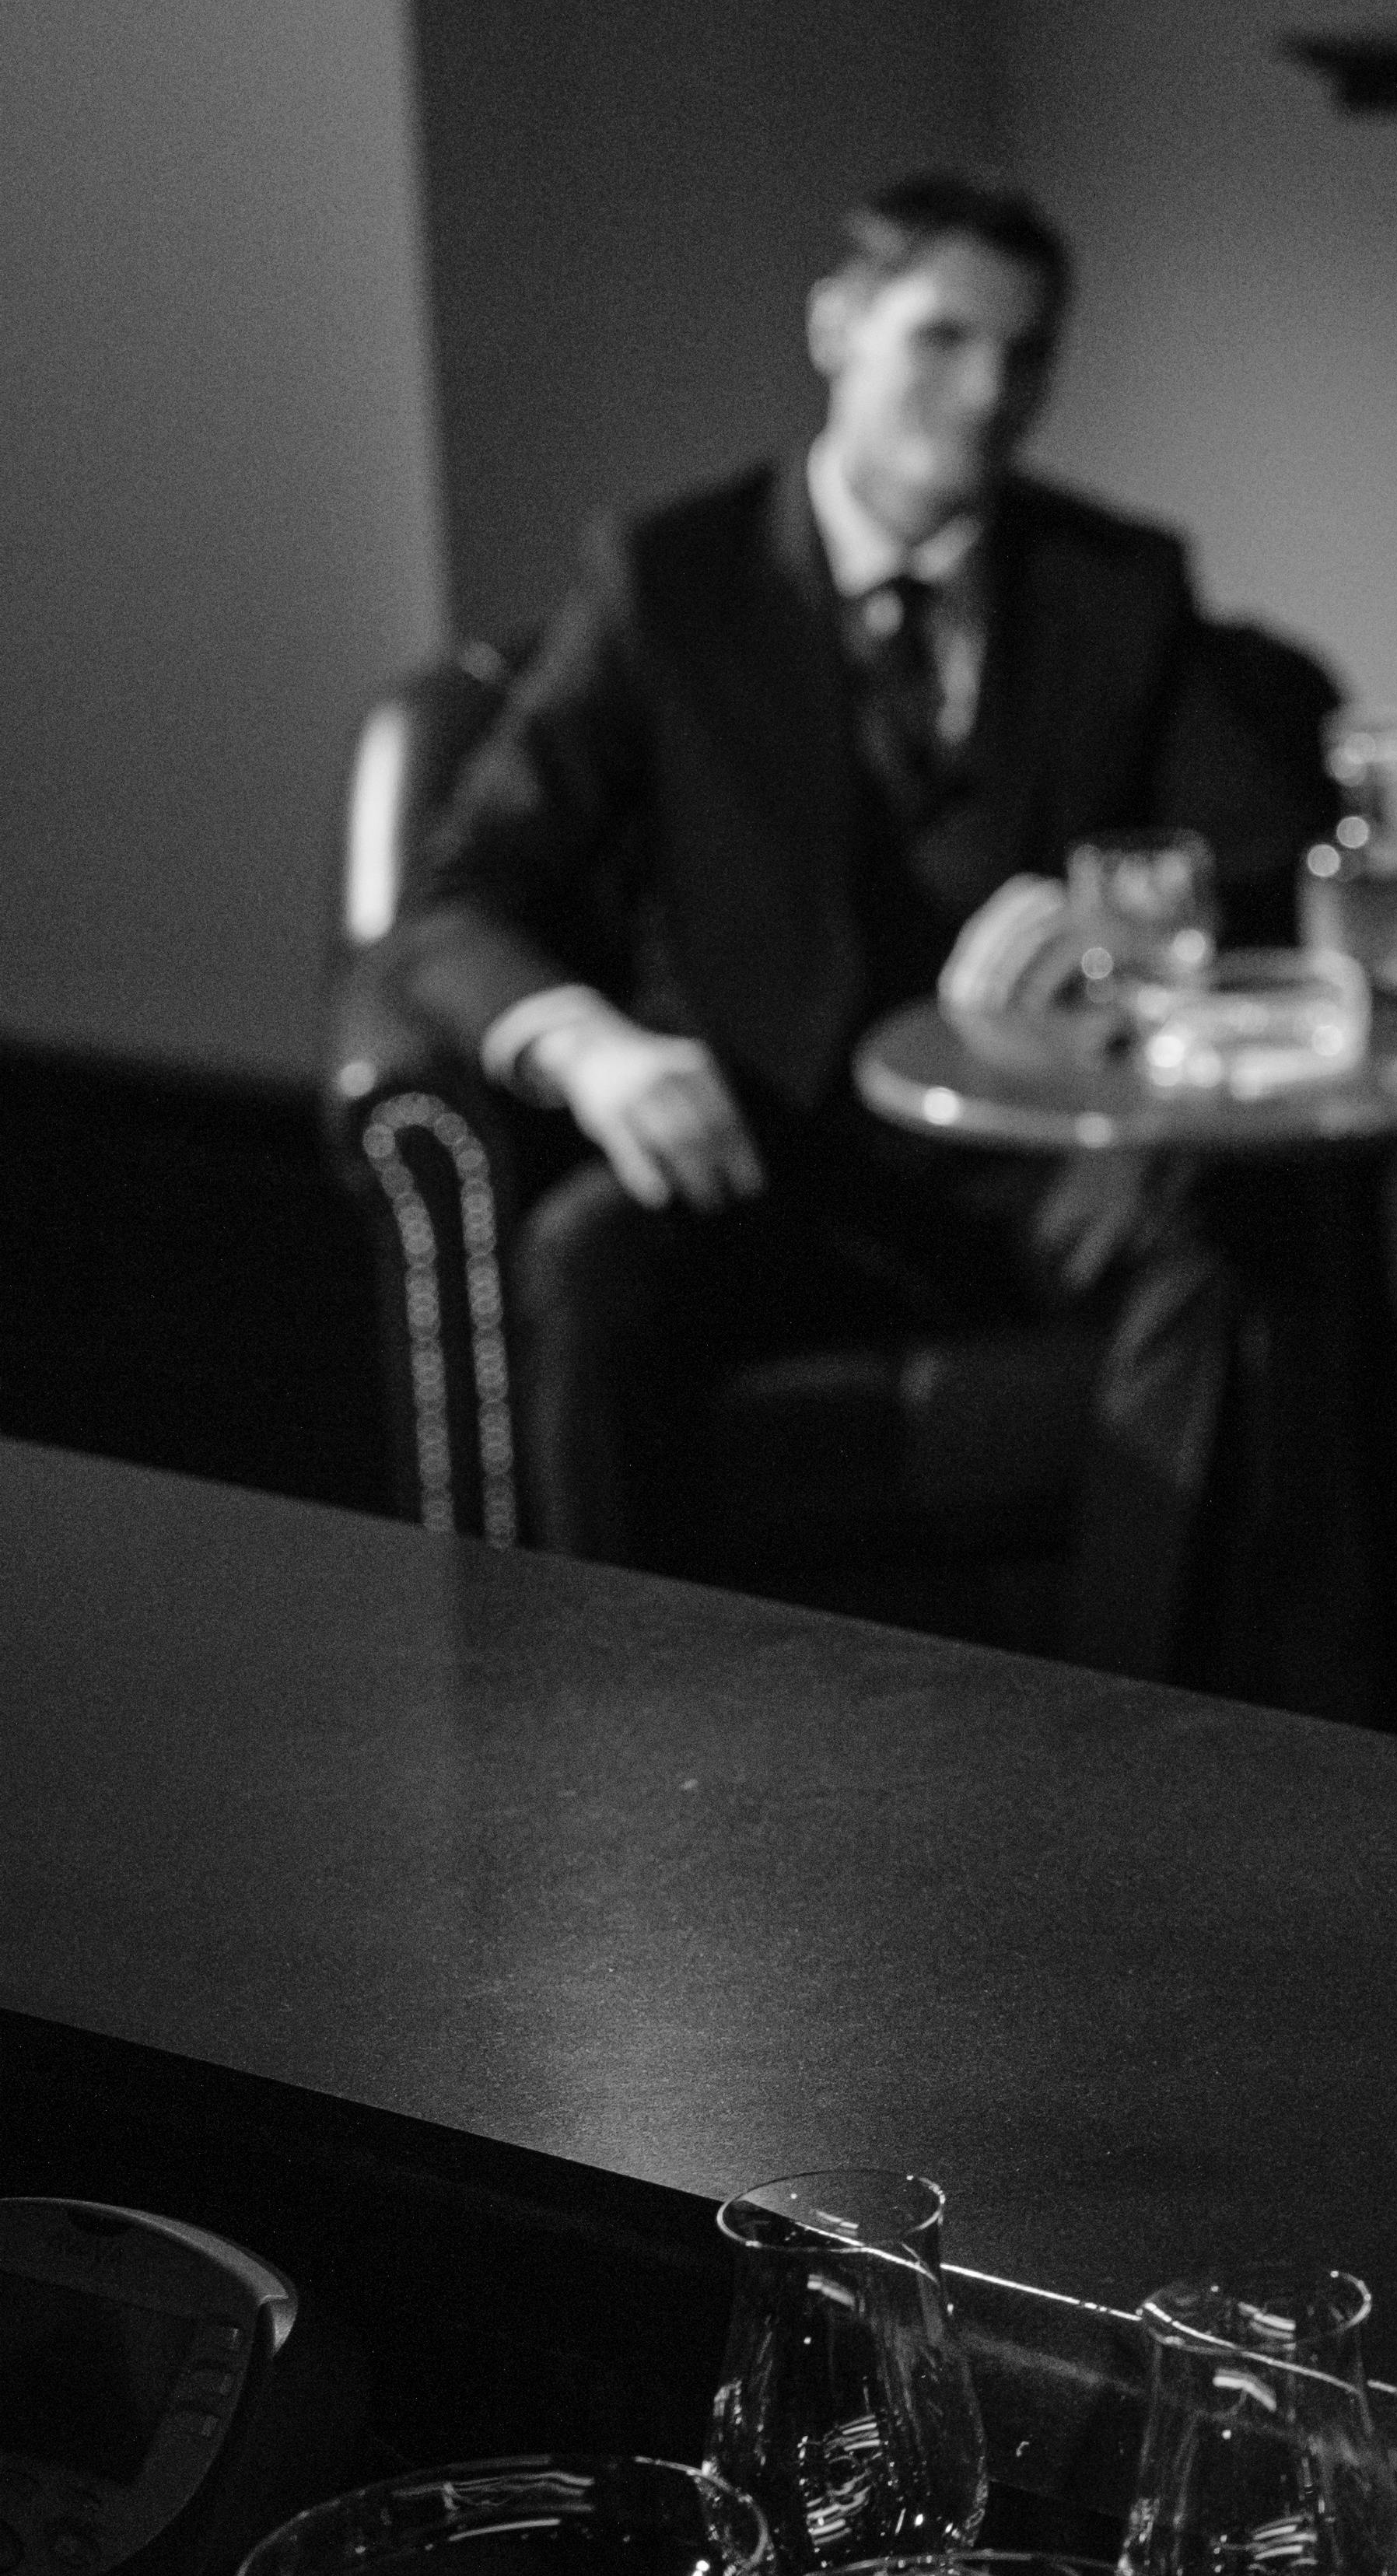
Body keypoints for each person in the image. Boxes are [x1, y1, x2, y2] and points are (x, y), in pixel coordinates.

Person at [382, 172, 1330, 1675]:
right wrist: (595, 1052)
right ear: (837, 326)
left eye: (1027, 357)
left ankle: (1139, 1739)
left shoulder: (1114, 582)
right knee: (585, 1265)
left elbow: (1273, 855)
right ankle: (623, 1746)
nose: (986, 394)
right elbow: (454, 902)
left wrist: (1122, 921)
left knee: (1230, 1246)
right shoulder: (665, 581)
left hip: (1042, 1165)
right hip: (768, 1164)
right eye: (941, 340)